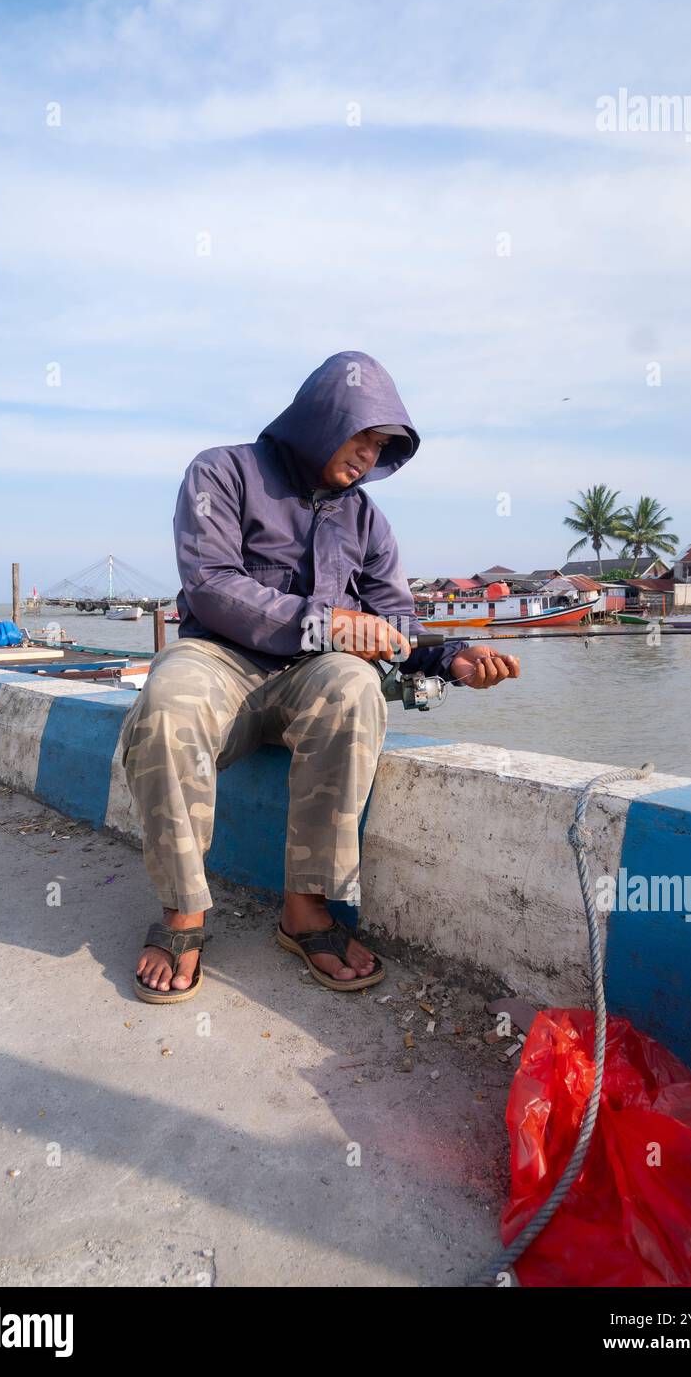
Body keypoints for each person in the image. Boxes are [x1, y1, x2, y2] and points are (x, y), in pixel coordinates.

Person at [121, 351, 520, 1003]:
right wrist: (328, 623)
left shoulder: (367, 521)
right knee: (168, 705)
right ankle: (183, 913)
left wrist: (450, 659)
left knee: (355, 685)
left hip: (310, 679)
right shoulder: (221, 472)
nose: (367, 456)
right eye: (359, 434)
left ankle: (305, 909)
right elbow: (212, 585)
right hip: (220, 659)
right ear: (318, 416)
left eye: (381, 446)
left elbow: (395, 626)